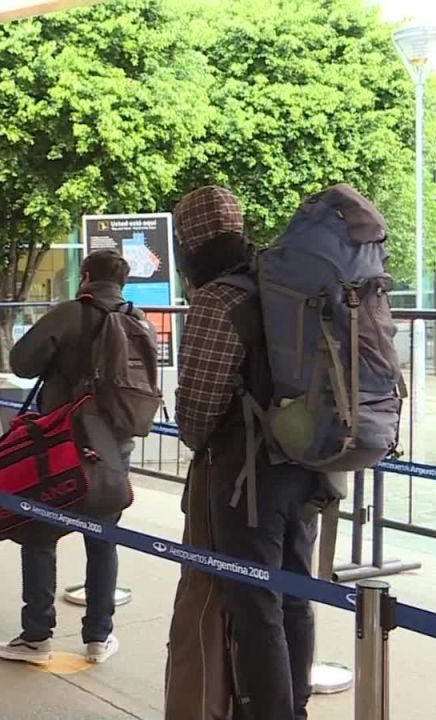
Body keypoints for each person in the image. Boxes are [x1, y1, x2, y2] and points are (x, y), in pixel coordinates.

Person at [168, 186, 318, 720]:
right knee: (294, 593)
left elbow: (197, 414)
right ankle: (295, 706)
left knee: (255, 606)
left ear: (189, 243)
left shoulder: (218, 298)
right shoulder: (281, 284)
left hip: (247, 479)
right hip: (307, 462)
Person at [0, 250, 133, 666]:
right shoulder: (135, 317)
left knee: (38, 531)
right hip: (115, 443)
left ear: (85, 276)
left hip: (63, 442)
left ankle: (37, 636)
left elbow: (20, 362)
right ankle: (98, 637)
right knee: (103, 537)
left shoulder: (72, 313)